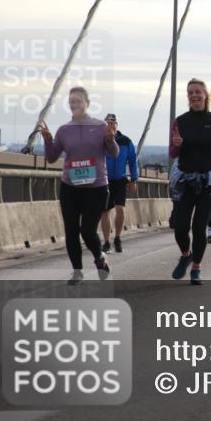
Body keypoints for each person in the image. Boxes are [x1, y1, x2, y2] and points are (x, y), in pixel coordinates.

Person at [40, 87, 119, 284]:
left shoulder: (101, 126)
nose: (74, 105)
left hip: (96, 188)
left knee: (87, 230)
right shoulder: (64, 130)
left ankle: (99, 258)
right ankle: (77, 272)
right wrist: (48, 141)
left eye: (78, 101)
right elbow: (51, 158)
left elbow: (114, 153)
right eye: (71, 102)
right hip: (70, 187)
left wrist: (110, 139)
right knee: (71, 230)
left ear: (87, 104)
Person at [169, 78, 211, 285]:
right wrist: (176, 145)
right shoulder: (180, 121)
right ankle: (185, 255)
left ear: (206, 95)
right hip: (186, 179)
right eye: (191, 92)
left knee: (199, 227)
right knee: (180, 226)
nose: (194, 95)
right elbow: (172, 153)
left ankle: (196, 267)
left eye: (198, 92)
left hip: (209, 181)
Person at [101, 113, 138, 254]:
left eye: (113, 122)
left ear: (117, 125)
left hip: (121, 180)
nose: (111, 125)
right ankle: (106, 241)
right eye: (108, 123)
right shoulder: (101, 140)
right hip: (105, 180)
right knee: (105, 211)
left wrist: (134, 179)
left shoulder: (126, 141)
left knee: (120, 208)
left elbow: (133, 160)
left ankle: (117, 238)